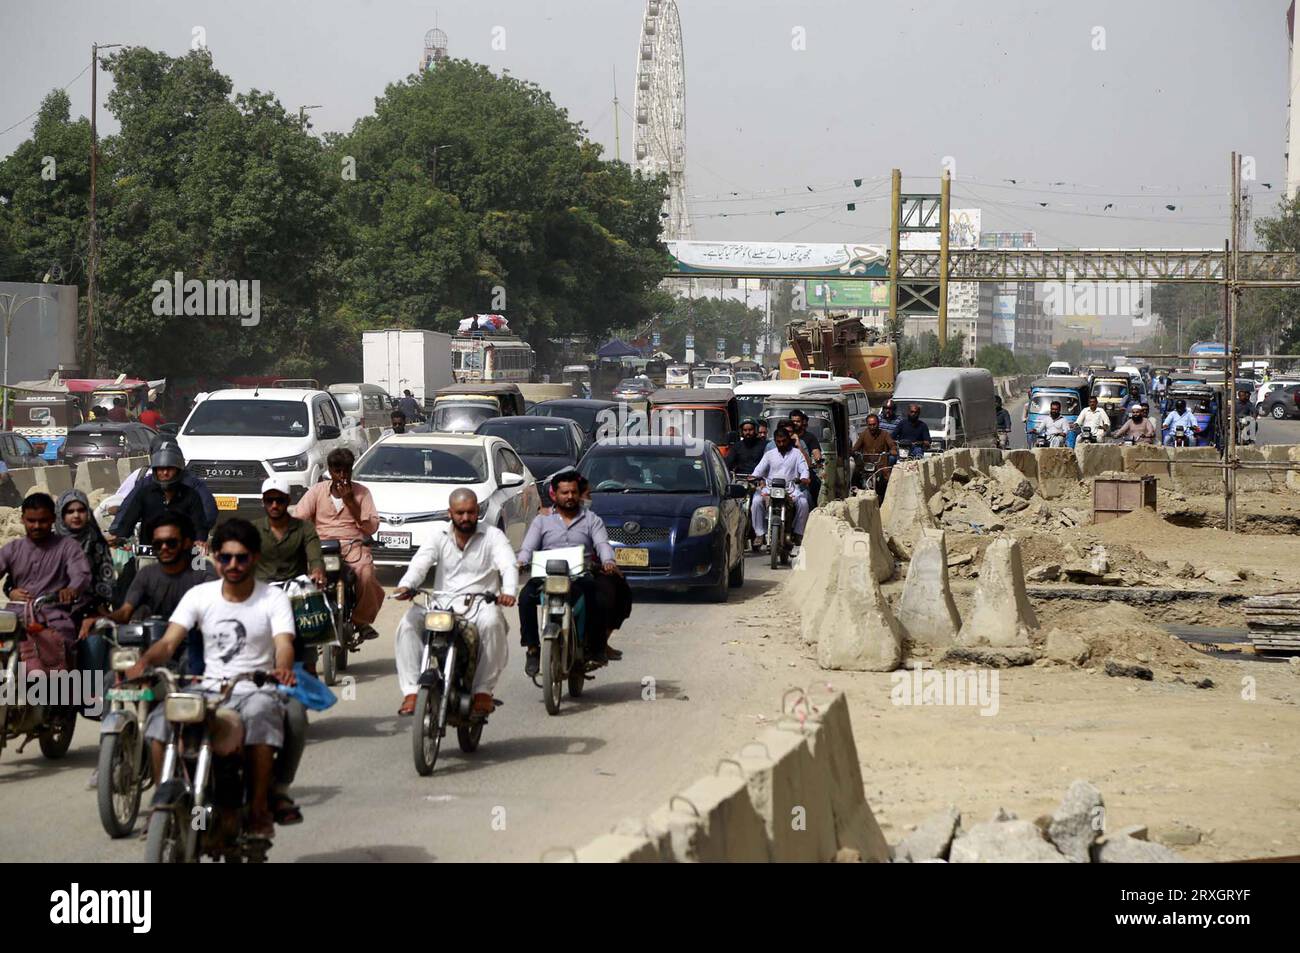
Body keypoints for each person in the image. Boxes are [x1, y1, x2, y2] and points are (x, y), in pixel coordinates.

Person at [129, 519, 295, 840]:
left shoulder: (272, 599)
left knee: (262, 718)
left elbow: (284, 644)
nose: (233, 565)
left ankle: (259, 808)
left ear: (255, 558)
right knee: (162, 721)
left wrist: (282, 668)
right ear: (215, 557)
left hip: (253, 688)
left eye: (242, 557)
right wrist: (145, 663)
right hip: (206, 688)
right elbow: (168, 643)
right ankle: (166, 800)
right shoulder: (199, 595)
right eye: (225, 557)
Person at [393, 488, 518, 716]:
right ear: (450, 512)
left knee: (494, 622)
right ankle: (411, 691)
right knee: (409, 621)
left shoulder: (492, 536)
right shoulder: (438, 536)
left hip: (480, 606)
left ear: (477, 511)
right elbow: (420, 564)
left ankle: (482, 691)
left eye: (470, 512)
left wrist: (508, 591)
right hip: (442, 606)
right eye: (460, 513)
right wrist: (406, 585)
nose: (465, 518)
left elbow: (508, 564)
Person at [251, 478, 325, 824]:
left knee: (306, 621)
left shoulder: (303, 528)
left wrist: (317, 571)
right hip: (259, 594)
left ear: (288, 501)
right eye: (270, 501)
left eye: (280, 500)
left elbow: (314, 557)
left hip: (292, 594)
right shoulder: (252, 530)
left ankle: (304, 667)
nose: (275, 506)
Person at [516, 470, 626, 676]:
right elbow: (528, 547)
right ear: (555, 495)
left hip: (578, 576)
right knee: (525, 599)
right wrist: (521, 561)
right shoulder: (542, 521)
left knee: (597, 598)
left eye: (573, 492)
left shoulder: (592, 520)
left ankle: (595, 648)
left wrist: (608, 561)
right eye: (564, 493)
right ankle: (532, 649)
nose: (569, 497)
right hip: (546, 576)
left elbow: (602, 543)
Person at [291, 448, 383, 642]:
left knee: (366, 575)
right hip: (321, 548)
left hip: (353, 548)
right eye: (337, 470)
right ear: (330, 471)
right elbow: (298, 518)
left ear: (351, 470)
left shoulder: (362, 493)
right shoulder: (317, 491)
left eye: (346, 470)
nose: (342, 475)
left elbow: (372, 526)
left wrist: (350, 501)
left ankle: (361, 621)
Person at [0, 492, 90, 664]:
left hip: (53, 617)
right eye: (31, 521)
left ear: (52, 519)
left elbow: (81, 574)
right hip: (16, 616)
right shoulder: (13, 548)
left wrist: (71, 589)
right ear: (22, 520)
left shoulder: (68, 547)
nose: (36, 526)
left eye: (42, 521)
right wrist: (11, 591)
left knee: (60, 652)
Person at [108, 446, 213, 547]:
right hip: (149, 554)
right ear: (155, 471)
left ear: (178, 471)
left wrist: (199, 541)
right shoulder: (144, 494)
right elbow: (129, 518)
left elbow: (200, 525)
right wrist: (118, 536)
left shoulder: (191, 495)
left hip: (181, 555)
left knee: (200, 564)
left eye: (170, 469)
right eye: (160, 469)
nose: (165, 473)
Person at [749, 425, 811, 548]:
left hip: (791, 489)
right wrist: (754, 476)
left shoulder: (797, 453)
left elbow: (804, 469)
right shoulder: (769, 454)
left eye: (784, 441)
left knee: (803, 503)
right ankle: (760, 534)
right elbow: (759, 469)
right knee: (756, 501)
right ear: (775, 441)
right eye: (778, 441)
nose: (781, 444)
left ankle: (798, 533)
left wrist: (804, 478)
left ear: (789, 440)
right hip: (770, 488)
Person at [850, 413, 898, 497]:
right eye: (870, 425)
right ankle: (855, 495)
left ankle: (885, 497)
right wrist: (853, 452)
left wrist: (893, 450)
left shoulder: (885, 434)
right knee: (856, 474)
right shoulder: (864, 434)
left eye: (874, 424)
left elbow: (892, 444)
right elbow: (856, 447)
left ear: (878, 424)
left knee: (887, 479)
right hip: (866, 464)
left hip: (881, 464)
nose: (872, 427)